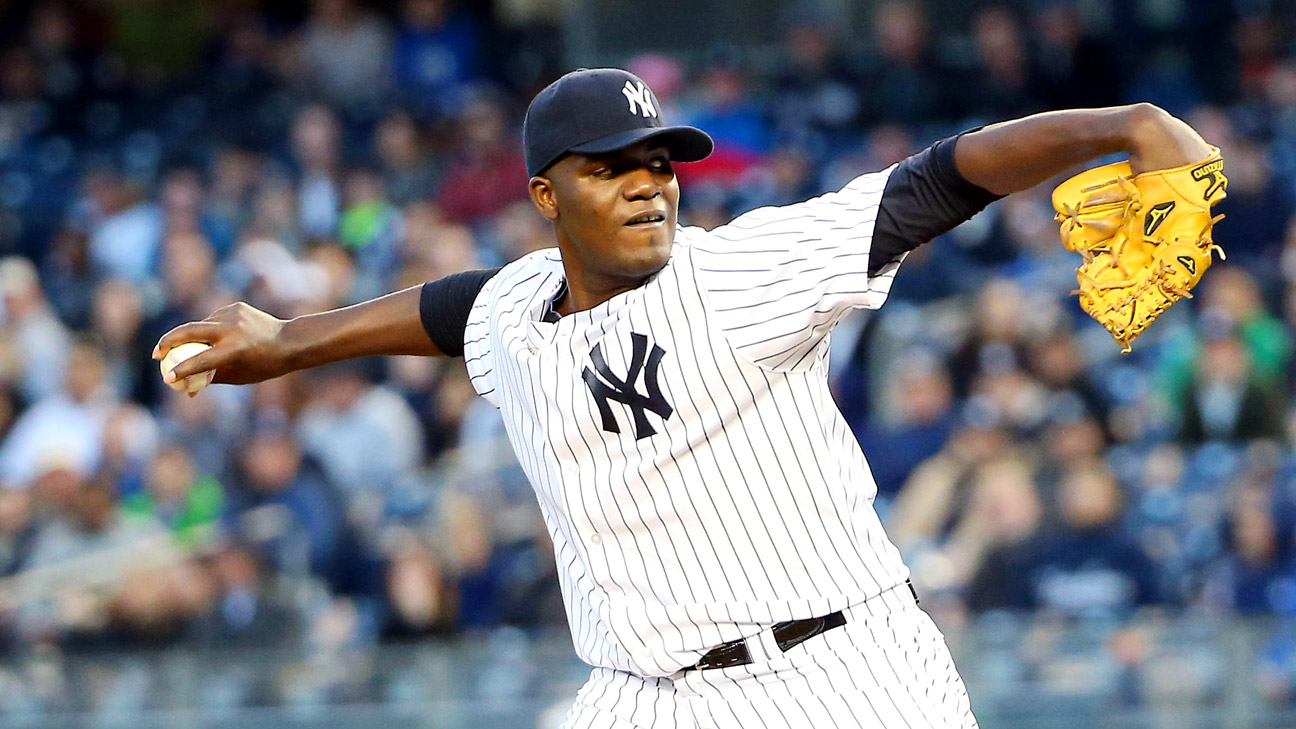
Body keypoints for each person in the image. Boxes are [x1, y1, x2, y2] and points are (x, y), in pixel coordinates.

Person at [155, 68, 1217, 728]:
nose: (646, 183)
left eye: (659, 163)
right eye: (610, 167)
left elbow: (935, 181)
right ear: (544, 197)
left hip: (837, 678)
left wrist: (1122, 124)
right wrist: (292, 343)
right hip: (642, 696)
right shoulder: (521, 305)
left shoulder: (739, 273)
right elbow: (449, 309)